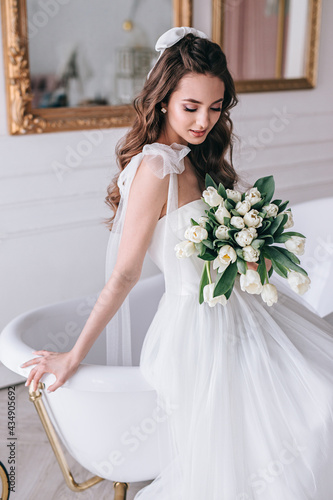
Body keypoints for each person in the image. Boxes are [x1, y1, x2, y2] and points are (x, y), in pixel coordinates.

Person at [21, 27, 333, 499]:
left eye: (216, 107)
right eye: (191, 107)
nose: (204, 120)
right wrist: (74, 355)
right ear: (163, 99)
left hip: (242, 312)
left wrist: (252, 256)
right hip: (199, 330)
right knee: (288, 427)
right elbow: (125, 275)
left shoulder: (194, 158)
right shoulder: (154, 168)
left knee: (316, 405)